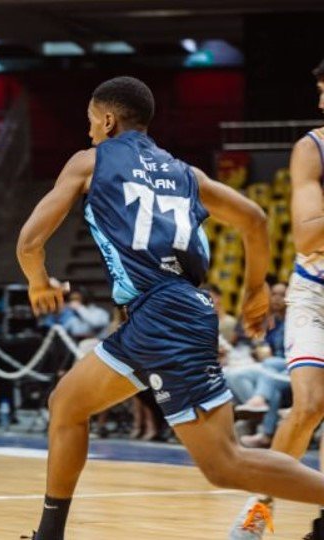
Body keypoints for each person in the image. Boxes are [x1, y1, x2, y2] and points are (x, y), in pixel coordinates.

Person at [16, 75, 324, 540]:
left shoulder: (89, 161)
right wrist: (254, 289)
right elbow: (255, 219)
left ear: (107, 119)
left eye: (90, 123)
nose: (89, 132)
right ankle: (48, 535)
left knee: (225, 465)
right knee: (67, 404)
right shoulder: (185, 172)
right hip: (155, 316)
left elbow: (29, 241)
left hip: (167, 316)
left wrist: (38, 281)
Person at [230, 59, 324, 540]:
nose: (323, 102)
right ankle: (260, 506)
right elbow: (309, 236)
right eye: (322, 91)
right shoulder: (313, 148)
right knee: (309, 404)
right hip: (316, 293)